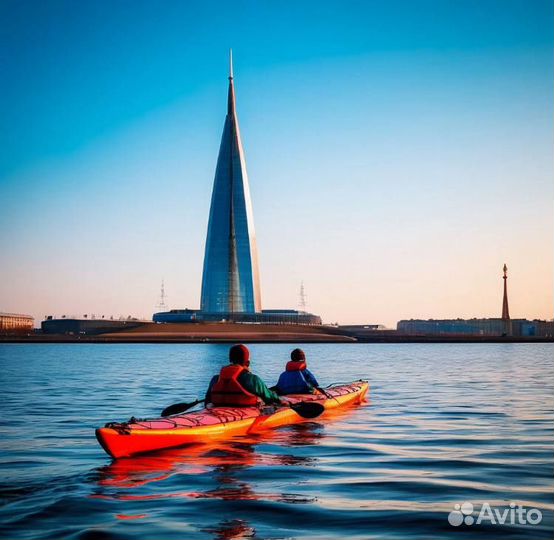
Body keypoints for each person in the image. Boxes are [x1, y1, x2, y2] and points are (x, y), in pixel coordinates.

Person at [205, 344, 282, 406]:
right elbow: (269, 397)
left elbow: (207, 401)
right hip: (245, 415)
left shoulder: (215, 379)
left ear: (230, 359)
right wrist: (281, 401)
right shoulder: (253, 379)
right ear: (247, 363)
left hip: (218, 412)